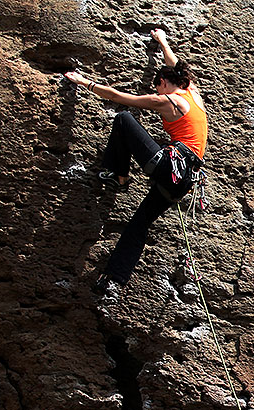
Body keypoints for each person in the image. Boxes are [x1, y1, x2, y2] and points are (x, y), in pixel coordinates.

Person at [64, 29, 208, 294]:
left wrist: (83, 82)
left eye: (158, 86)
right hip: (185, 181)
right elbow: (175, 65)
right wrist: (163, 41)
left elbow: (119, 98)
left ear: (163, 83)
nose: (157, 90)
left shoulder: (170, 101)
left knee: (124, 119)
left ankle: (118, 175)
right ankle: (113, 280)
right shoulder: (193, 94)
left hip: (169, 166)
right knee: (140, 222)